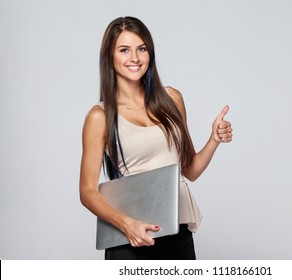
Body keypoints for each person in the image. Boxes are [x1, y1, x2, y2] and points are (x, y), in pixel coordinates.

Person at [79, 16, 233, 260]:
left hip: (177, 233)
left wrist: (214, 139)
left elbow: (189, 170)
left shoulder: (171, 99)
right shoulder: (100, 116)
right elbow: (87, 191)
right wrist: (126, 224)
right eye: (124, 50)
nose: (135, 58)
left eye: (141, 49)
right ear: (110, 56)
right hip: (130, 239)